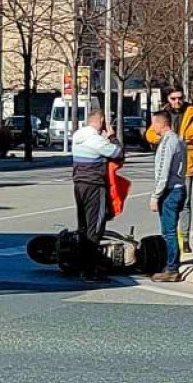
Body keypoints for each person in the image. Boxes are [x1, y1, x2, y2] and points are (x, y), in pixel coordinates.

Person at [145, 85, 193, 254]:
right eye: (173, 98)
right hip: (168, 158)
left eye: (180, 98)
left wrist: (188, 137)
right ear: (168, 99)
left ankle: (186, 239)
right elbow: (150, 135)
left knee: (185, 202)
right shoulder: (162, 115)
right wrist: (163, 138)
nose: (177, 101)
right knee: (167, 201)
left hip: (186, 161)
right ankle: (170, 236)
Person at [72, 110, 124, 280]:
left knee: (83, 226)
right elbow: (118, 153)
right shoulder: (96, 140)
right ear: (101, 121)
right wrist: (112, 136)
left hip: (79, 183)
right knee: (95, 227)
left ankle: (80, 265)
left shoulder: (78, 136)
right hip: (95, 184)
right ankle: (90, 270)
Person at [149, 110, 187, 283]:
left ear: (161, 124)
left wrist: (155, 195)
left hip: (170, 191)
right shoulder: (178, 140)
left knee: (168, 232)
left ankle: (172, 268)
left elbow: (163, 171)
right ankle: (170, 265)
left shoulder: (167, 143)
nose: (152, 127)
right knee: (170, 231)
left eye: (153, 123)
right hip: (179, 187)